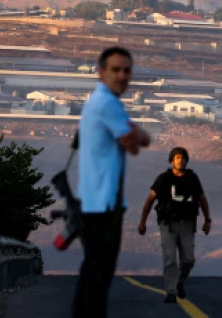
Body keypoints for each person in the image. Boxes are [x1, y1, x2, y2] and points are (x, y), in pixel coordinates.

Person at [72, 47, 152, 318]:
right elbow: (134, 144)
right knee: (99, 276)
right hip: (102, 204)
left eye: (127, 70)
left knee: (92, 272)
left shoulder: (101, 101)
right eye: (116, 69)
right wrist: (138, 133)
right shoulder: (107, 103)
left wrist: (137, 135)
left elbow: (136, 141)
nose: (122, 76)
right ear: (101, 72)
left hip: (97, 201)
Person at [137, 146, 212, 303]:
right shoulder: (163, 179)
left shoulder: (192, 178)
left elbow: (202, 199)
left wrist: (207, 220)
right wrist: (142, 222)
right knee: (170, 258)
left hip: (187, 224)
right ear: (172, 161)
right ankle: (170, 291)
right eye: (177, 157)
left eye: (183, 157)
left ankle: (180, 282)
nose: (181, 160)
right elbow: (150, 200)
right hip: (168, 224)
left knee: (188, 260)